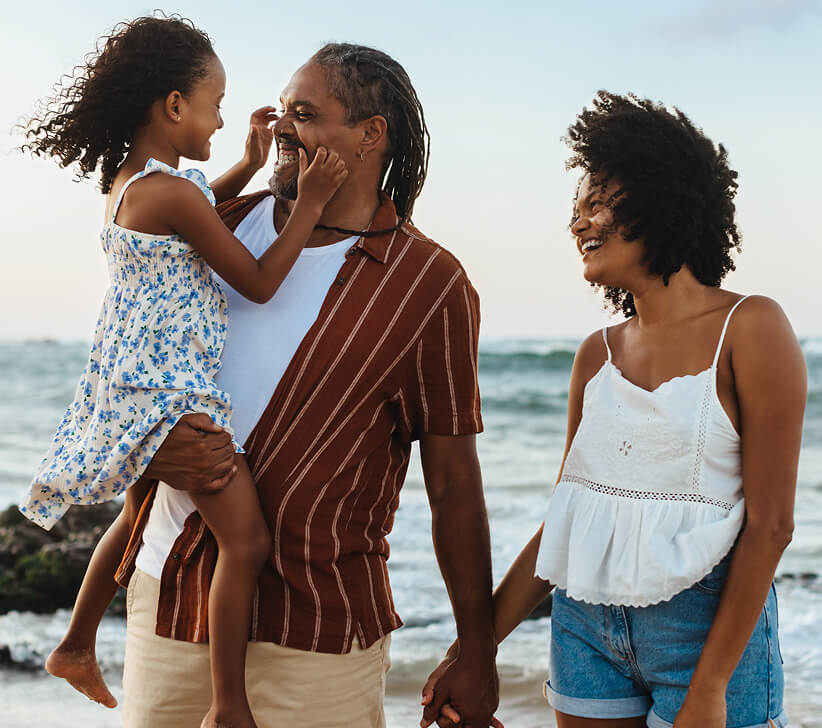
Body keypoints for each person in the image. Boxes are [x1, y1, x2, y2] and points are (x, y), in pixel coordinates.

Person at [111, 42, 500, 728]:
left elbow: (453, 486)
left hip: (317, 634)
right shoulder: (216, 225)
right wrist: (148, 449)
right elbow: (125, 369)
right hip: (169, 607)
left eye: (306, 114)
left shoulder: (430, 286)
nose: (282, 126)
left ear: (370, 135)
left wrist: (476, 651)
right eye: (284, 109)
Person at [423, 92, 805, 728]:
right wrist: (473, 650)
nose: (579, 225)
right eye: (576, 209)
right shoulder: (594, 356)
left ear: (661, 198)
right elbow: (569, 523)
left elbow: (771, 525)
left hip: (704, 635)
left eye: (597, 203)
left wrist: (710, 687)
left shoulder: (751, 327)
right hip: (583, 630)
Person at [17, 15, 348, 728]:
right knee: (248, 540)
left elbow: (200, 207)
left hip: (134, 384)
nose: (224, 119)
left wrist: (250, 165)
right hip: (172, 393)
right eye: (215, 106)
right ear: (174, 107)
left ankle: (75, 643)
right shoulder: (170, 196)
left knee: (137, 516)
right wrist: (310, 205)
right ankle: (228, 705)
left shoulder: (136, 182)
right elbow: (258, 281)